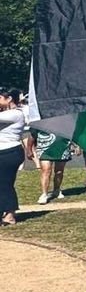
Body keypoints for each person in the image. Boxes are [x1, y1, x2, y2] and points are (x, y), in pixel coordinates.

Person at [0, 87, 26, 226]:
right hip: (4, 152)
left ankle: (10, 215)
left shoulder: (15, 114)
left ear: (9, 98)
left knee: (5, 183)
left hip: (9, 152)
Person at [31, 128, 73, 203]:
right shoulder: (40, 121)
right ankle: (44, 194)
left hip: (62, 147)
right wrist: (28, 149)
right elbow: (32, 135)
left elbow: (72, 130)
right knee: (46, 170)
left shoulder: (65, 121)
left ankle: (56, 190)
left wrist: (76, 145)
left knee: (59, 171)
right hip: (44, 149)